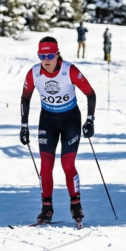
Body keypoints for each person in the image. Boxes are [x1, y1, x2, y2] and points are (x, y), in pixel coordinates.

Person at [20, 37, 97, 226]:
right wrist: (24, 125)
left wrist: (90, 120)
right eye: (41, 55)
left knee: (67, 164)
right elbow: (25, 98)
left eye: (49, 55)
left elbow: (90, 93)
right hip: (48, 121)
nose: (45, 60)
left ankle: (76, 205)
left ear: (57, 54)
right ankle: (46, 208)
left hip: (71, 120)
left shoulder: (69, 70)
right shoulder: (34, 73)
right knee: (46, 166)